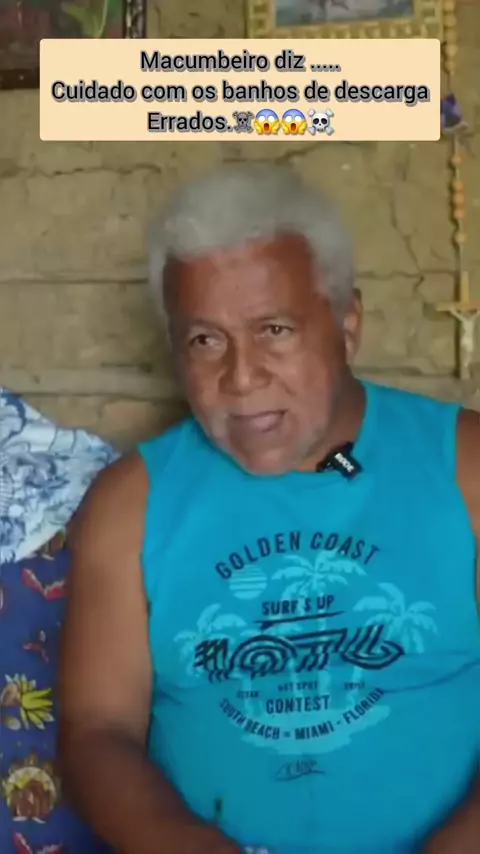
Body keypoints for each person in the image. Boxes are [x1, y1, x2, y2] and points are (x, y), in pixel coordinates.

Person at [58, 164, 480, 854]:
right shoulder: (131, 503)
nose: (242, 376)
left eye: (274, 329)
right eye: (205, 340)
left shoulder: (466, 467)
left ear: (348, 324)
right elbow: (98, 731)